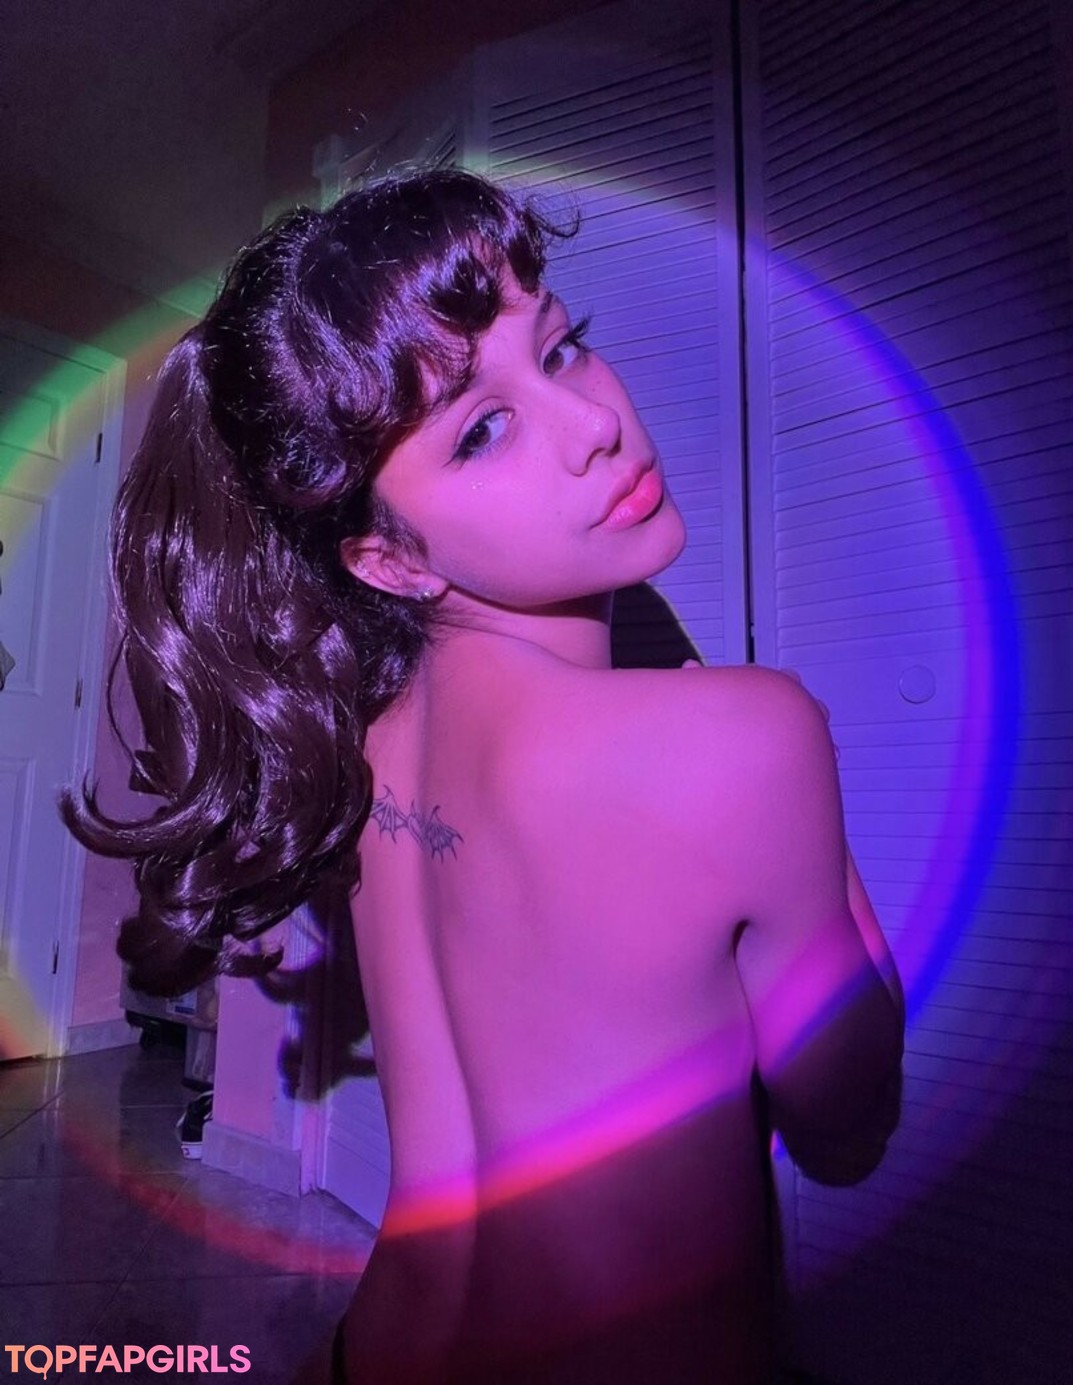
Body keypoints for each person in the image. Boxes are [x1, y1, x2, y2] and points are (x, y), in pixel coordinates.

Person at [65, 168, 904, 1383]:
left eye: (559, 349)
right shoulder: (740, 737)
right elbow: (845, 1114)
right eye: (481, 430)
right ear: (387, 561)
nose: (594, 422)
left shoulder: (363, 746)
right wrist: (816, 823)